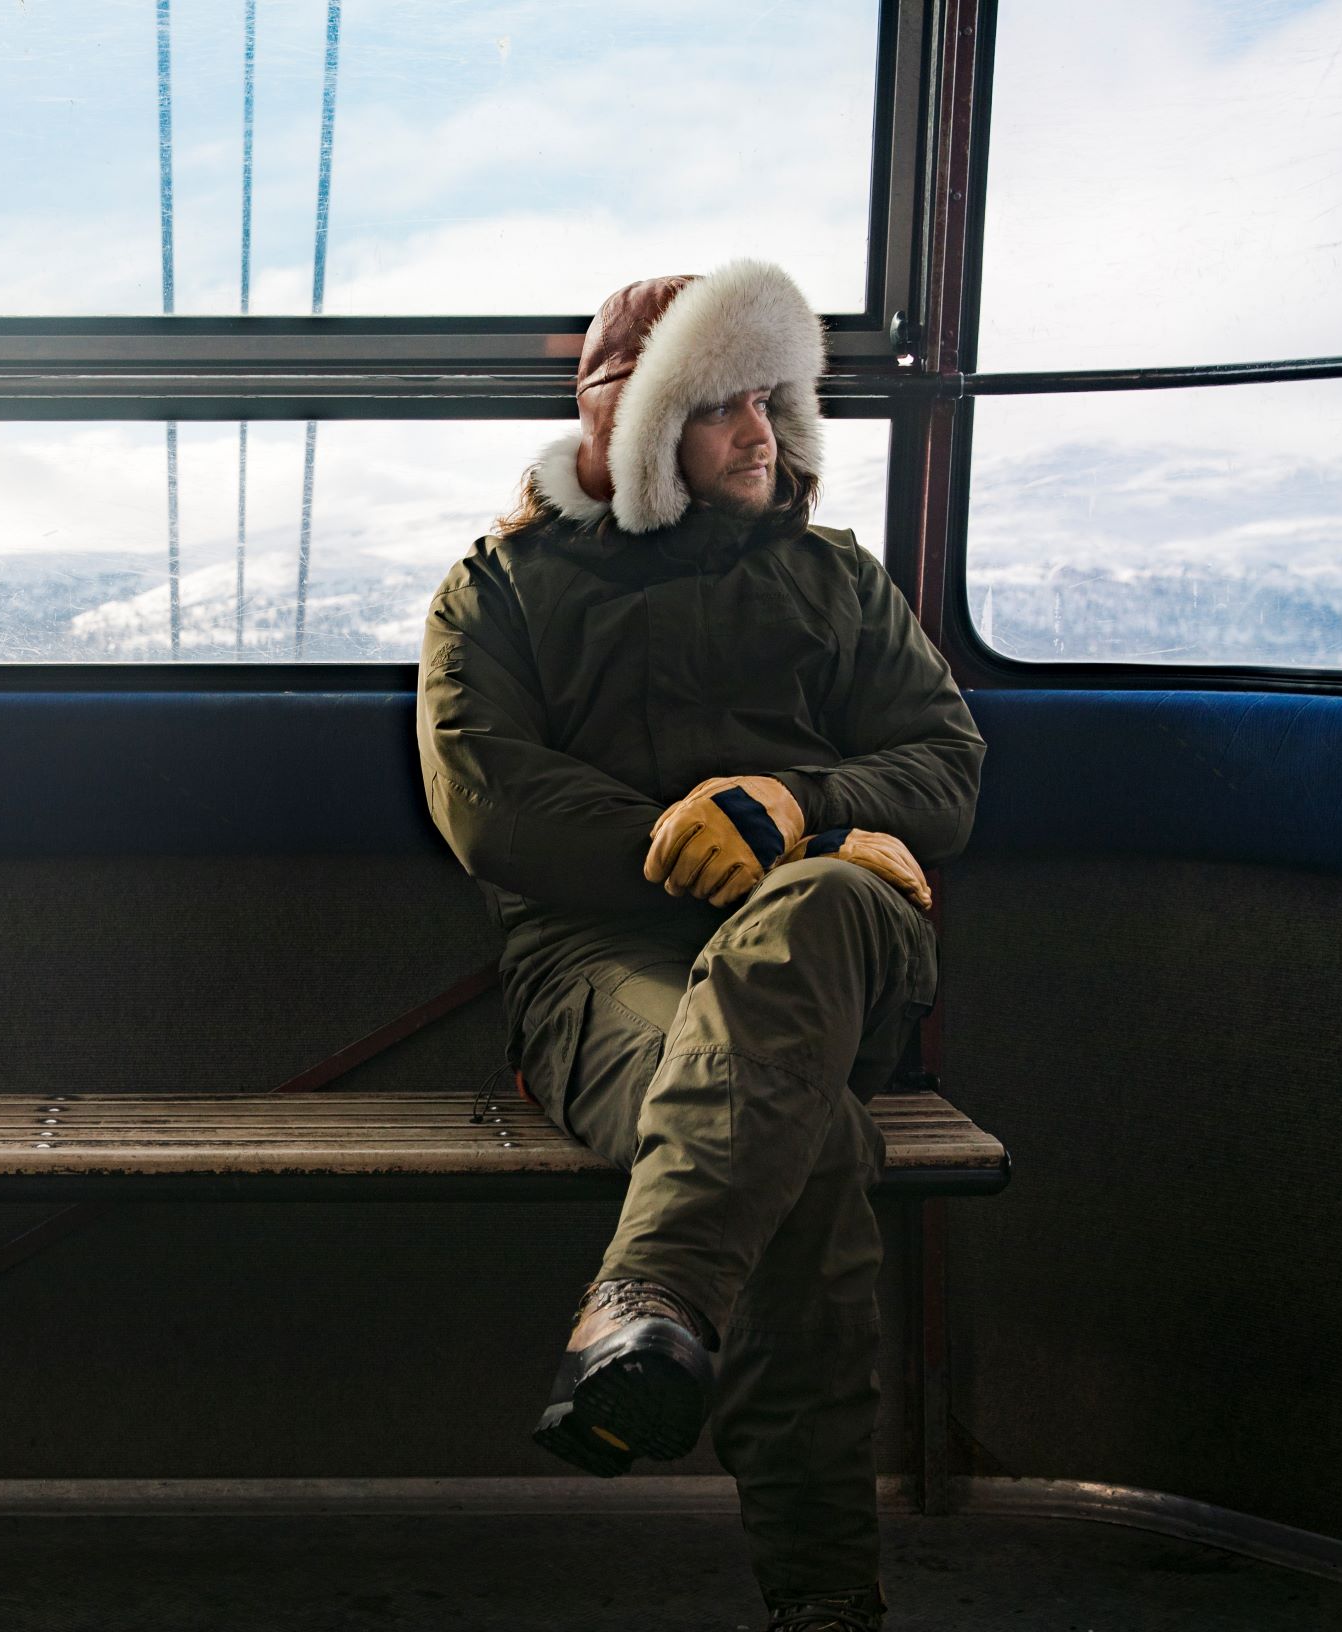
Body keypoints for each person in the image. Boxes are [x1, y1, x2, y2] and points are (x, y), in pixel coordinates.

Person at [414, 261, 985, 1632]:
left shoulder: (832, 582)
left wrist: (799, 812)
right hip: (597, 973)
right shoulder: (498, 591)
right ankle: (824, 1599)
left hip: (839, 958)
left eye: (773, 402)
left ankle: (651, 1300)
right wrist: (681, 846)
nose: (760, 435)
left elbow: (943, 762)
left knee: (833, 904)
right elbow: (488, 800)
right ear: (638, 421)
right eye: (720, 403)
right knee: (809, 1142)